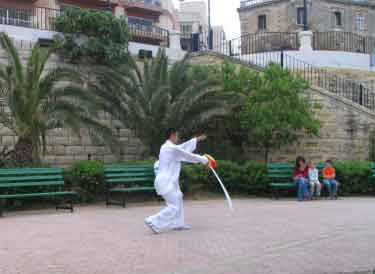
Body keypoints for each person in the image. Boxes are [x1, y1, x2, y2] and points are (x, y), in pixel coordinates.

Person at [144, 128, 210, 234]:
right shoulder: (169, 148)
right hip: (165, 182)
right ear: (172, 135)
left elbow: (182, 149)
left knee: (178, 198)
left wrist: (195, 140)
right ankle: (153, 221)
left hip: (168, 182)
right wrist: (204, 160)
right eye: (177, 136)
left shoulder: (169, 147)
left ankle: (178, 223)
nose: (178, 138)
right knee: (173, 206)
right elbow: (186, 154)